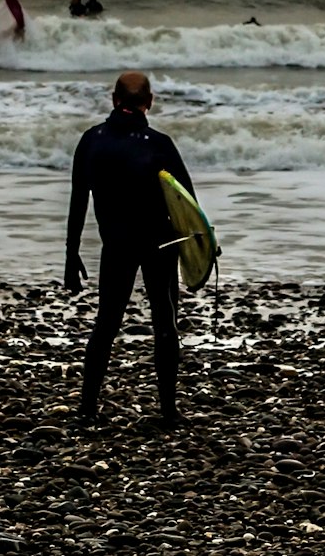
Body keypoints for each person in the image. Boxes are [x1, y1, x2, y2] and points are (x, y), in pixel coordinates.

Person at [64, 71, 196, 428]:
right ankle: (169, 412)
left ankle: (87, 410)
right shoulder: (159, 143)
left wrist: (70, 254)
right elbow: (189, 204)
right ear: (149, 102)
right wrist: (198, 253)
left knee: (105, 325)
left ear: (113, 99)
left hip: (117, 245)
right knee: (165, 323)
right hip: (159, 243)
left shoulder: (91, 141)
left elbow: (78, 202)